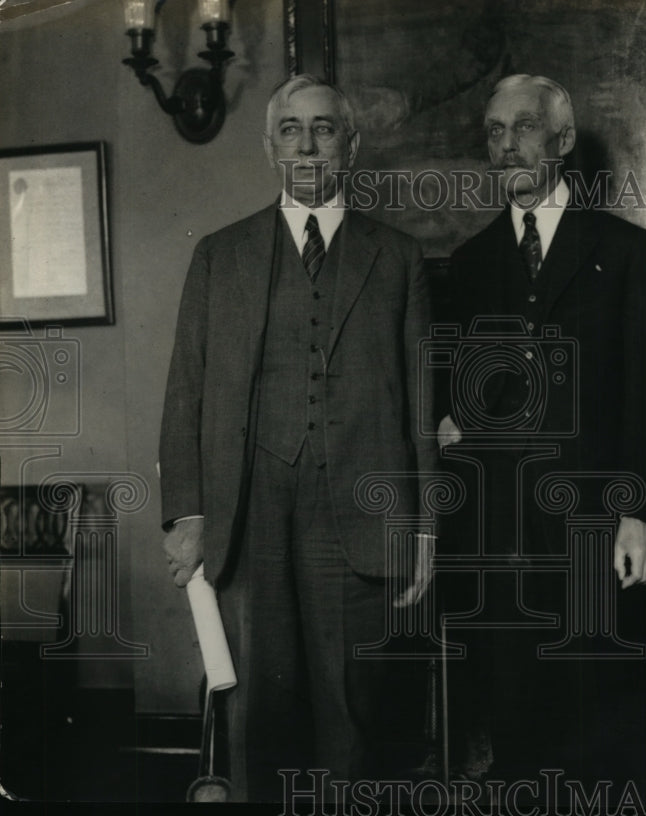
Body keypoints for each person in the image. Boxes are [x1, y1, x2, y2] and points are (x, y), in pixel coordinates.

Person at [158, 74, 437, 802]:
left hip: (362, 521)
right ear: (269, 146)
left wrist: (424, 528)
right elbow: (184, 389)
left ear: (352, 144)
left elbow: (419, 401)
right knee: (258, 717)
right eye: (291, 129)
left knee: (352, 718)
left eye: (324, 128)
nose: (307, 143)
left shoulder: (398, 258)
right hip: (248, 518)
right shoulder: (221, 255)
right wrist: (188, 512)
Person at [436, 74, 646, 783]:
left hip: (594, 529)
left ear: (563, 141)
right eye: (496, 132)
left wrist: (636, 514)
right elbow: (453, 404)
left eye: (526, 127)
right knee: (515, 736)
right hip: (499, 545)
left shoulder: (624, 252)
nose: (508, 146)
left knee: (603, 731)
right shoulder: (470, 264)